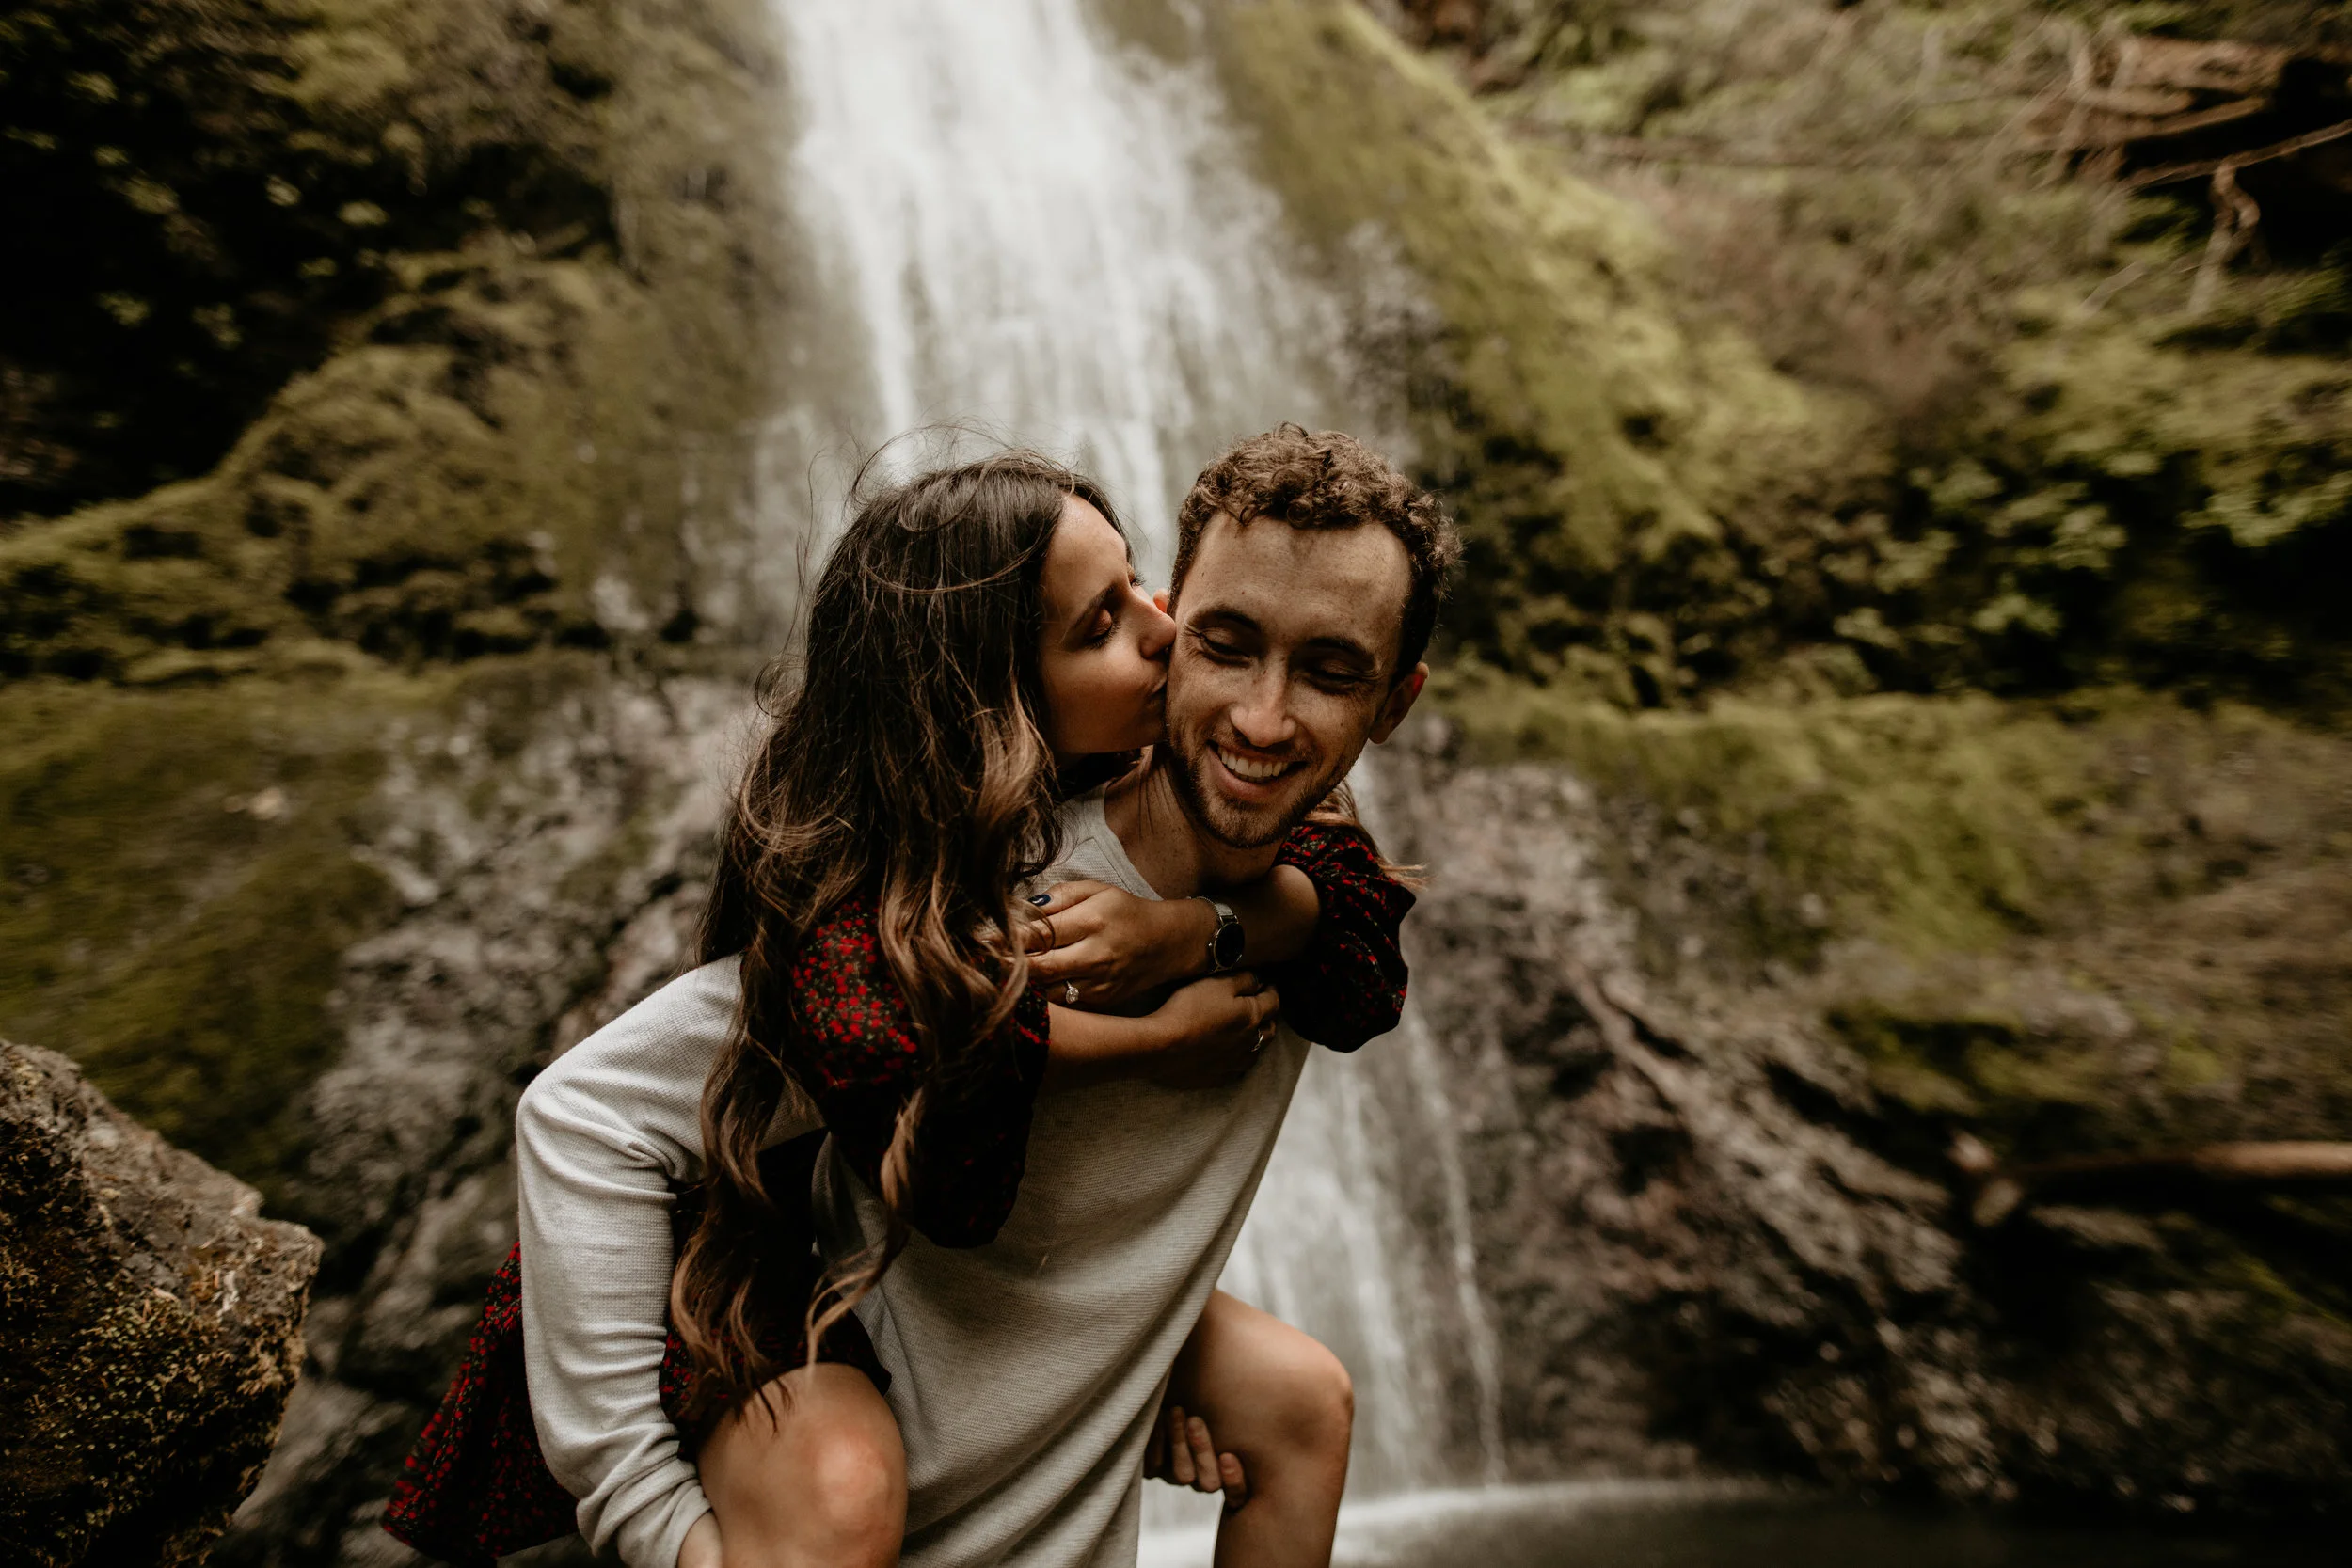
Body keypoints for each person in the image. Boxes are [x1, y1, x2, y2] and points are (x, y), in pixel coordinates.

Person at [386, 437, 1445, 1568]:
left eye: (1332, 673)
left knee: (1297, 1401)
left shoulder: (1320, 902)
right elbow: (586, 1113)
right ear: (1178, 628)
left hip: (1023, 1418)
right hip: (836, 1422)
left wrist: (1209, 932)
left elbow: (1355, 943)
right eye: (1224, 645)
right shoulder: (962, 914)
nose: (1264, 719)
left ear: (1393, 701)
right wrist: (651, 1514)